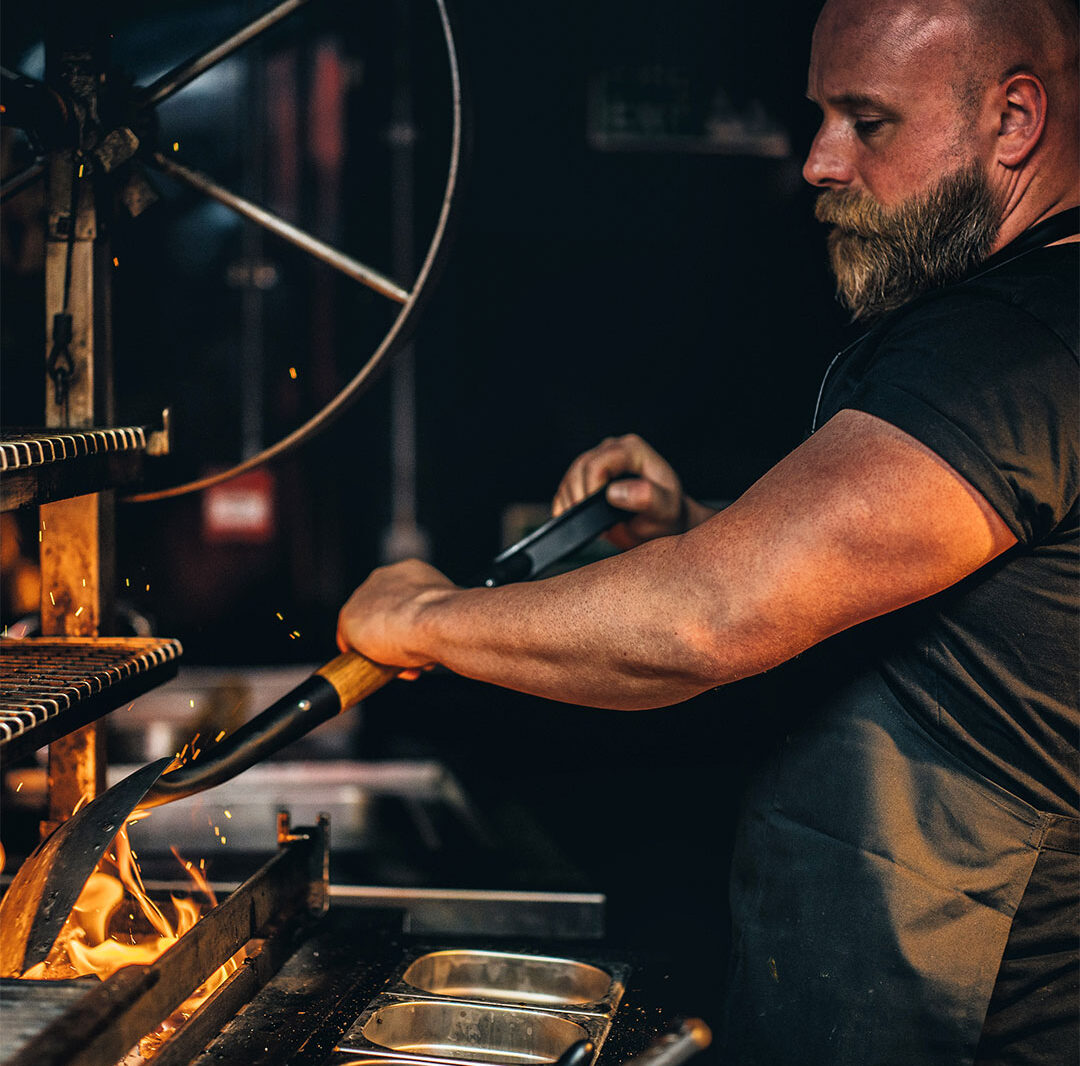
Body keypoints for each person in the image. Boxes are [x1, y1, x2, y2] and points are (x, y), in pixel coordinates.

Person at [337, 1, 1078, 1062]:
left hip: (974, 1019)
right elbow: (940, 578)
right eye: (821, 115)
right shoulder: (1014, 326)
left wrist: (423, 618)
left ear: (1014, 121)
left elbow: (705, 619)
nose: (819, 161)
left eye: (868, 122)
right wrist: (694, 525)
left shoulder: (1018, 350)